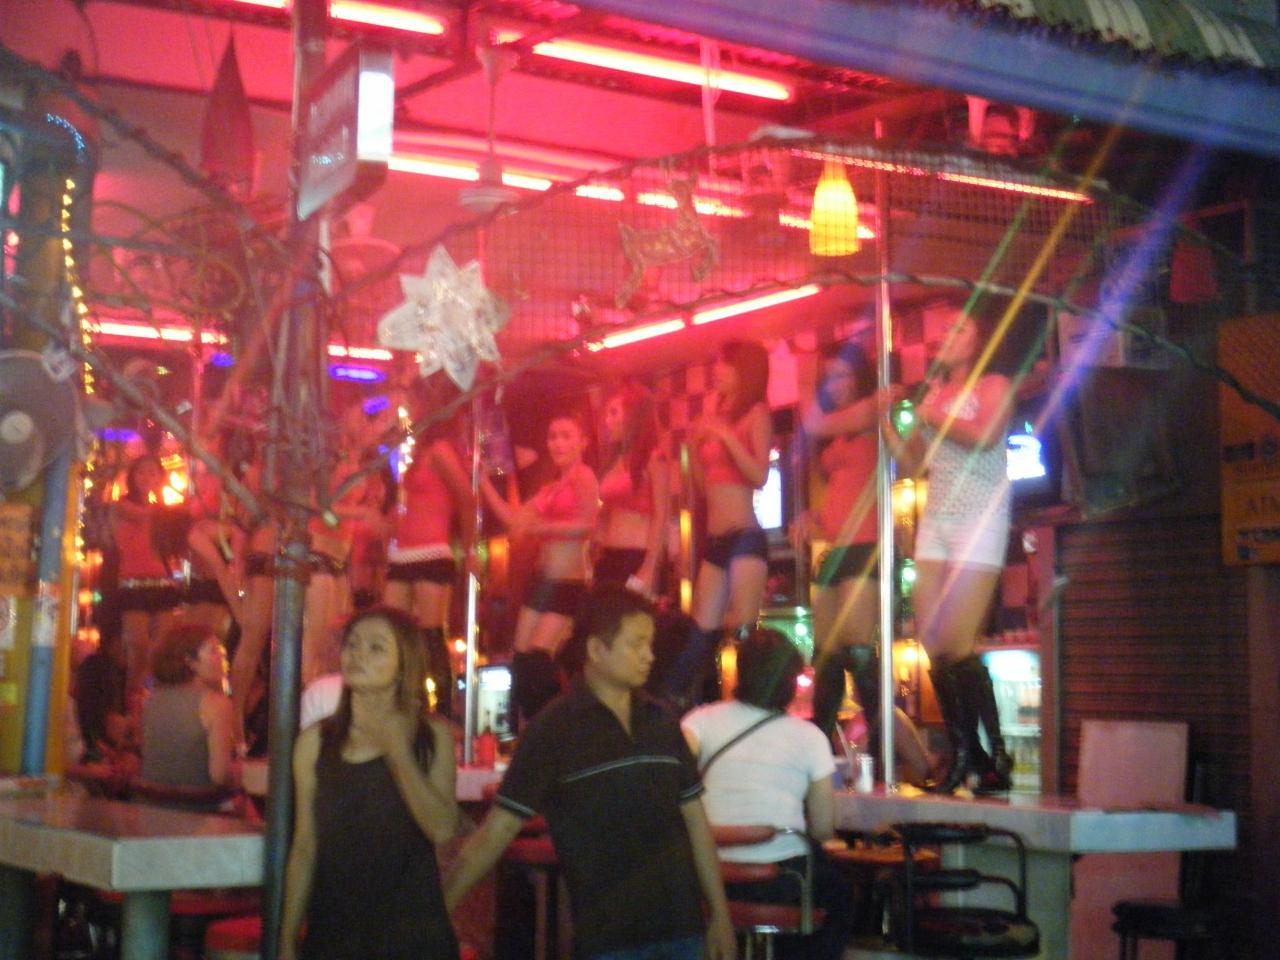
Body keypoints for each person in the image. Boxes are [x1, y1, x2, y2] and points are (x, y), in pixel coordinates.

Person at [444, 586, 736, 960]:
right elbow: (495, 832)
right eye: (636, 644)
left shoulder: (661, 721)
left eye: (650, 644)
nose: (649, 656)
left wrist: (720, 915)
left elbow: (695, 822)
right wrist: (438, 911)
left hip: (683, 928)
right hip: (608, 938)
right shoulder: (553, 730)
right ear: (597, 650)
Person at [882, 302, 1015, 793]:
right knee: (933, 643)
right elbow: (914, 464)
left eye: (958, 328)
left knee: (956, 643)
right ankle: (972, 753)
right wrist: (887, 423)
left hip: (980, 516)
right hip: (937, 517)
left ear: (979, 340)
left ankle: (988, 752)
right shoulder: (935, 395)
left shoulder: (994, 386)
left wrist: (932, 415)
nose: (946, 335)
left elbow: (985, 438)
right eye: (944, 329)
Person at [281, 607, 461, 960]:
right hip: (334, 932)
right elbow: (304, 846)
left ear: (403, 664)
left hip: (413, 934)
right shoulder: (315, 743)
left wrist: (397, 750)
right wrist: (287, 938)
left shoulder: (431, 735)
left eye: (376, 647)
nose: (358, 654)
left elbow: (442, 828)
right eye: (352, 644)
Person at [799, 342, 933, 785]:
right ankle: (823, 764)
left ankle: (896, 757)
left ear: (859, 377)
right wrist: (812, 517)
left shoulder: (872, 411)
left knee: (857, 652)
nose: (834, 385)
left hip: (868, 544)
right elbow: (840, 492)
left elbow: (912, 463)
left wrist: (886, 421)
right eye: (828, 377)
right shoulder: (841, 428)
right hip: (836, 548)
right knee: (827, 658)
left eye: (841, 375)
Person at [682, 628, 854, 960]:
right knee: (839, 892)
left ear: (740, 673)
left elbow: (678, 788)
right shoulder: (810, 738)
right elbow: (822, 828)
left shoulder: (697, 723)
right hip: (782, 880)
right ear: (792, 682)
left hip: (708, 878)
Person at [665, 340, 773, 707]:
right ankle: (684, 707)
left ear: (744, 372)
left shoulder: (757, 413)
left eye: (725, 365)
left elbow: (760, 475)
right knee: (701, 633)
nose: (717, 372)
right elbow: (702, 487)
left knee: (743, 633)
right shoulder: (717, 414)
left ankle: (751, 707)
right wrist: (694, 449)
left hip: (744, 536)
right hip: (716, 539)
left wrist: (725, 435)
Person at [481, 411, 599, 728]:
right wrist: (483, 482)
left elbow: (588, 524)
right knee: (520, 660)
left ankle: (553, 730)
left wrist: (543, 527)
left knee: (538, 660)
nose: (557, 443)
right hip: (542, 582)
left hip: (568, 582)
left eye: (565, 436)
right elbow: (514, 519)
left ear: (582, 442)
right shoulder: (550, 488)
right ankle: (532, 730)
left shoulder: (584, 476)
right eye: (552, 436)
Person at [384, 382, 477, 718]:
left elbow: (466, 500)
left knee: (430, 634)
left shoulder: (439, 450)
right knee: (394, 631)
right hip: (402, 553)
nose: (410, 411)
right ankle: (409, 706)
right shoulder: (418, 451)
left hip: (431, 551)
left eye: (415, 404)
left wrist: (469, 550)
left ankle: (444, 713)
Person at [140, 622, 237, 806]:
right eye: (214, 651)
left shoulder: (151, 701)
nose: (223, 656)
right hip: (196, 810)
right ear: (190, 661)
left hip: (150, 808)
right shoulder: (217, 704)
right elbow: (220, 776)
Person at [112, 455, 183, 695]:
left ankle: (151, 695)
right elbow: (141, 515)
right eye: (141, 472)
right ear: (132, 476)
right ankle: (133, 697)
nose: (146, 477)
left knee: (161, 646)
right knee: (138, 645)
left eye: (153, 472)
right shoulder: (122, 505)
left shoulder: (161, 511)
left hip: (161, 582)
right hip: (132, 584)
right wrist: (167, 504)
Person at [594, 382, 670, 597]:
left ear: (633, 415)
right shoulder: (614, 460)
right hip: (608, 555)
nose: (607, 421)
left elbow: (661, 515)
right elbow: (607, 509)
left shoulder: (653, 458)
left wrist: (649, 568)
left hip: (637, 556)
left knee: (631, 616)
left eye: (613, 413)